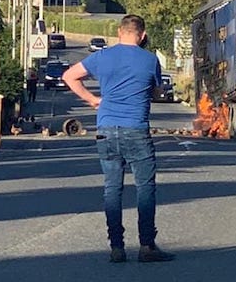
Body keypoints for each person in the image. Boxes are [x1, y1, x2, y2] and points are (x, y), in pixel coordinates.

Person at [63, 15, 175, 264]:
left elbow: (69, 76)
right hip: (135, 128)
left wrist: (92, 99)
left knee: (112, 188)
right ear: (142, 35)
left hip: (106, 129)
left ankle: (116, 247)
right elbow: (156, 91)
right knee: (145, 188)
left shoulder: (102, 57)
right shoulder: (150, 59)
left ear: (119, 31)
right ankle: (147, 246)